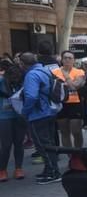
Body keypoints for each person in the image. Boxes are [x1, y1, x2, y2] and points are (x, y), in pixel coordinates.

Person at [19, 52, 60, 183]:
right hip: (50, 111)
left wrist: (24, 111)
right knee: (49, 143)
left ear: (22, 64)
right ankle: (50, 169)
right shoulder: (45, 70)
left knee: (43, 145)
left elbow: (31, 96)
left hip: (38, 114)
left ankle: (53, 172)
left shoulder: (31, 75)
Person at [0, 59, 27, 181]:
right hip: (4, 116)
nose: (15, 80)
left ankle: (18, 168)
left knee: (19, 143)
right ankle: (2, 170)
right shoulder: (1, 82)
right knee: (6, 145)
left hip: (19, 116)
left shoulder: (21, 82)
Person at [53, 50, 86, 148]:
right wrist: (71, 82)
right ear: (61, 60)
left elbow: (74, 87)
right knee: (64, 132)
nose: (67, 60)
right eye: (65, 58)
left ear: (74, 60)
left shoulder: (79, 71)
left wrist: (65, 77)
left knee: (76, 131)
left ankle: (78, 155)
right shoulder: (54, 72)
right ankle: (70, 155)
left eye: (70, 58)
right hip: (61, 104)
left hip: (75, 103)